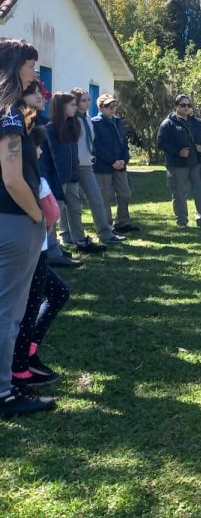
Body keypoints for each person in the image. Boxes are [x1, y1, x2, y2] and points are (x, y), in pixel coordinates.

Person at [0, 37, 54, 418]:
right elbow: (14, 179)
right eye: (32, 66)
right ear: (15, 66)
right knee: (9, 311)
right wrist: (36, 216)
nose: (36, 73)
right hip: (16, 221)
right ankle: (4, 392)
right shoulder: (10, 116)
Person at [10, 125, 70, 391]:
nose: (41, 150)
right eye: (36, 146)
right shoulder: (36, 181)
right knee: (32, 306)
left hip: (33, 248)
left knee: (56, 293)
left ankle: (28, 353)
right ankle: (21, 367)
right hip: (36, 250)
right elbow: (52, 213)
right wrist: (40, 216)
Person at [26, 82, 80, 268]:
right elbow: (47, 160)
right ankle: (52, 253)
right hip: (46, 180)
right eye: (36, 94)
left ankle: (54, 249)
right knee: (48, 217)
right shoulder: (46, 128)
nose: (42, 98)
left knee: (55, 215)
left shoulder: (53, 125)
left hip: (60, 179)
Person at [62, 88, 124, 245]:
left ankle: (105, 233)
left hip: (87, 166)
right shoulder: (70, 120)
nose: (87, 103)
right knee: (71, 203)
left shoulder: (88, 119)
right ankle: (70, 236)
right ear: (75, 102)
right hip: (72, 166)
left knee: (97, 198)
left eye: (88, 100)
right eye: (83, 100)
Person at [48, 93, 107, 254]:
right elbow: (50, 156)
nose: (76, 107)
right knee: (55, 212)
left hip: (72, 176)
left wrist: (74, 174)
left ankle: (80, 241)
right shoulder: (51, 128)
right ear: (61, 107)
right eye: (72, 105)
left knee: (75, 209)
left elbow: (74, 154)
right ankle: (52, 247)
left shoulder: (72, 126)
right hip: (58, 179)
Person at [157, 94, 201, 229]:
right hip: (177, 165)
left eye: (189, 105)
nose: (186, 108)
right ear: (175, 106)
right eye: (183, 105)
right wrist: (178, 152)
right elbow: (161, 143)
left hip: (197, 163)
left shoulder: (196, 122)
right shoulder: (168, 123)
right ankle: (182, 221)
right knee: (179, 193)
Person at [92, 94, 139, 234]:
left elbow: (124, 142)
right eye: (109, 106)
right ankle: (106, 226)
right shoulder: (95, 123)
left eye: (114, 106)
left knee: (125, 193)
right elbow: (97, 146)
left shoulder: (118, 122)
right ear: (101, 108)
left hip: (120, 165)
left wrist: (124, 159)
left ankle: (123, 222)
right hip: (103, 167)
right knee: (105, 196)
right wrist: (112, 161)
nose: (113, 109)